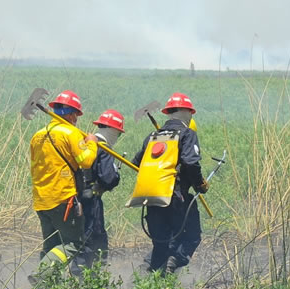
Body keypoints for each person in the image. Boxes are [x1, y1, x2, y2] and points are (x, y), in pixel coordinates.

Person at [132, 92, 208, 273]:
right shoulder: (187, 134)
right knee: (191, 237)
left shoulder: (153, 136)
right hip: (175, 197)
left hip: (150, 198)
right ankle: (172, 265)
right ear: (187, 112)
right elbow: (190, 162)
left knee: (161, 244)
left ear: (169, 113)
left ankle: (145, 284)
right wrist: (199, 185)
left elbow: (136, 163)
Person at [29, 90, 98, 279]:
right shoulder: (70, 133)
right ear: (70, 113)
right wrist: (91, 143)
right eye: (76, 114)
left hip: (41, 200)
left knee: (52, 245)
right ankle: (40, 275)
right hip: (63, 199)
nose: (76, 118)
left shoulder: (38, 136)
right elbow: (85, 161)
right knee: (73, 244)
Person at [74, 109, 124, 269]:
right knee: (95, 241)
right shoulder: (103, 148)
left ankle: (74, 279)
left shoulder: (84, 143)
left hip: (73, 200)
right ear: (114, 131)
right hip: (90, 203)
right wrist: (115, 172)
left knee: (78, 240)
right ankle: (90, 283)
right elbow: (108, 179)